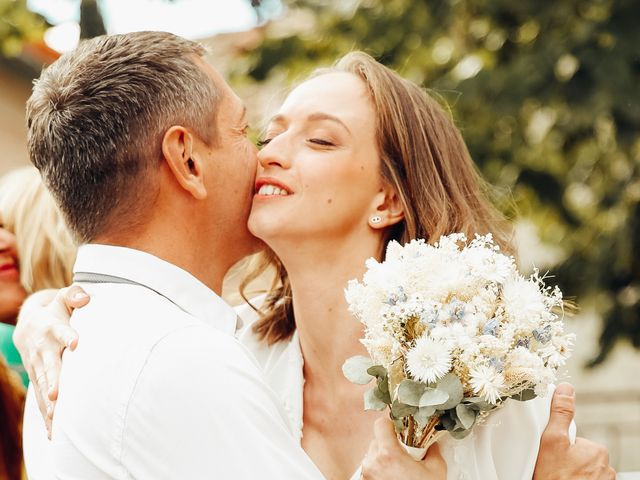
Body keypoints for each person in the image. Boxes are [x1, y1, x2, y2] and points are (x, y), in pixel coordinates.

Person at [16, 49, 615, 479]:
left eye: (320, 140)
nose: (270, 154)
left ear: (388, 198)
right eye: (266, 134)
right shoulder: (225, 353)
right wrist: (45, 306)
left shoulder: (486, 378)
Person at [20, 31, 326, 479]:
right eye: (241, 130)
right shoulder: (182, 357)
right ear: (187, 160)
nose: (264, 156)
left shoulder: (71, 341)